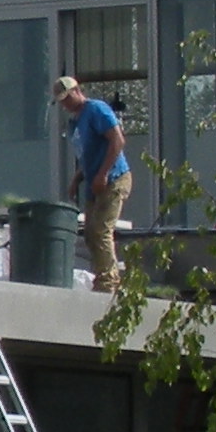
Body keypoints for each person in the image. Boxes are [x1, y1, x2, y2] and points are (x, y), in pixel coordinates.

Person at [53, 74, 129, 291]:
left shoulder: (96, 109)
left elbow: (118, 140)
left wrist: (103, 174)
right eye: (62, 101)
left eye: (68, 98)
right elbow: (87, 155)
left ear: (77, 91)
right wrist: (77, 179)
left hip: (113, 179)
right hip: (94, 182)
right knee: (90, 233)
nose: (66, 104)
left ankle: (108, 283)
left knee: (101, 230)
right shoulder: (75, 121)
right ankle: (102, 277)